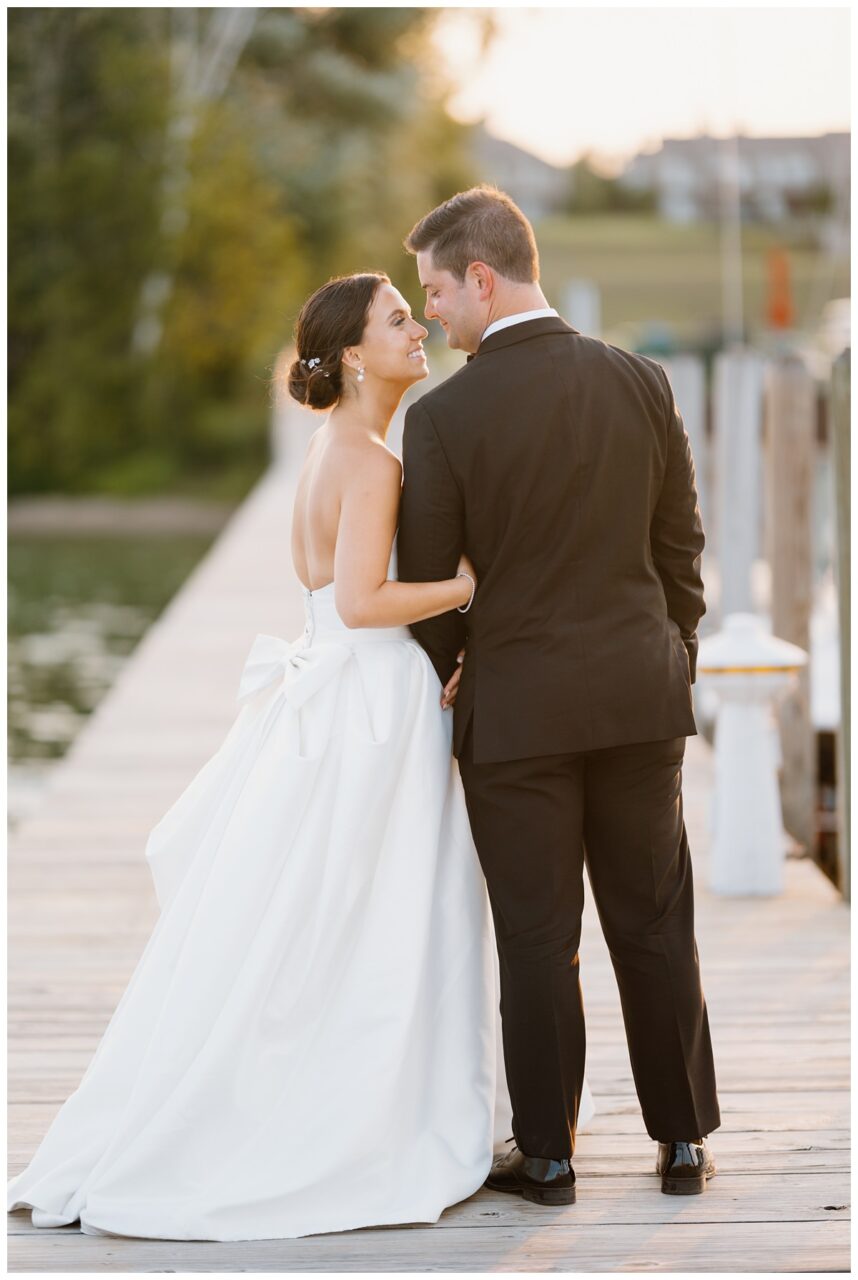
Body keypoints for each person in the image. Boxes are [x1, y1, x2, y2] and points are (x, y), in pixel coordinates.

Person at [7, 270, 596, 1243]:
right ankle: (370, 1119)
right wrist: (464, 585)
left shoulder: (329, 452)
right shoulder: (369, 463)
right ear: (356, 354)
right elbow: (364, 600)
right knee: (388, 907)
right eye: (398, 320)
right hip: (370, 701)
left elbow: (332, 598)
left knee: (330, 910)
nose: (419, 328)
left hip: (332, 688)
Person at [397, 186, 721, 1202]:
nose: (434, 313)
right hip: (640, 694)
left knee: (539, 934)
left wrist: (468, 656)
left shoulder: (443, 416)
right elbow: (681, 552)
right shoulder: (642, 379)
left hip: (519, 712)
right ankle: (681, 1143)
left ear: (483, 278)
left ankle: (547, 1153)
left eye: (438, 290)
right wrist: (675, 654)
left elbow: (422, 577)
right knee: (656, 918)